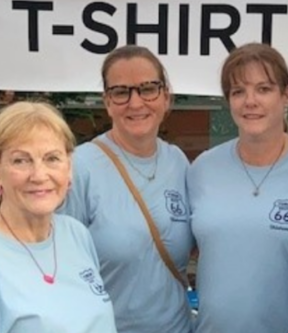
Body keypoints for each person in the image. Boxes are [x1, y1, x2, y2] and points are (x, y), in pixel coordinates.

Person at [187, 43, 288, 333]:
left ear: (286, 95)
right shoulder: (202, 169)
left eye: (264, 89)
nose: (250, 101)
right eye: (238, 91)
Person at [0, 101, 117, 333]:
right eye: (21, 160)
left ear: (69, 165)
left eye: (52, 158)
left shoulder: (76, 234)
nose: (38, 175)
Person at [59, 45, 193, 333]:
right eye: (121, 92)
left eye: (148, 88)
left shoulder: (177, 161)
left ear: (165, 96)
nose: (135, 103)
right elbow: (60, 268)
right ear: (107, 102)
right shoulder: (80, 167)